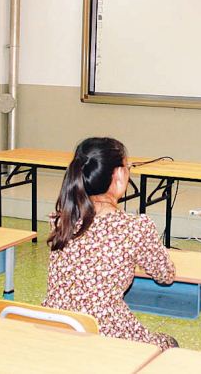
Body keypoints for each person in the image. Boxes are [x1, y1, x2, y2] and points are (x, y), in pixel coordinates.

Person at [42, 137, 177, 350]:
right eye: (128, 167)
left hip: (55, 328)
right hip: (104, 335)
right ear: (118, 175)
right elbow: (165, 275)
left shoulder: (61, 221)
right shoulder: (135, 227)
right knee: (169, 344)